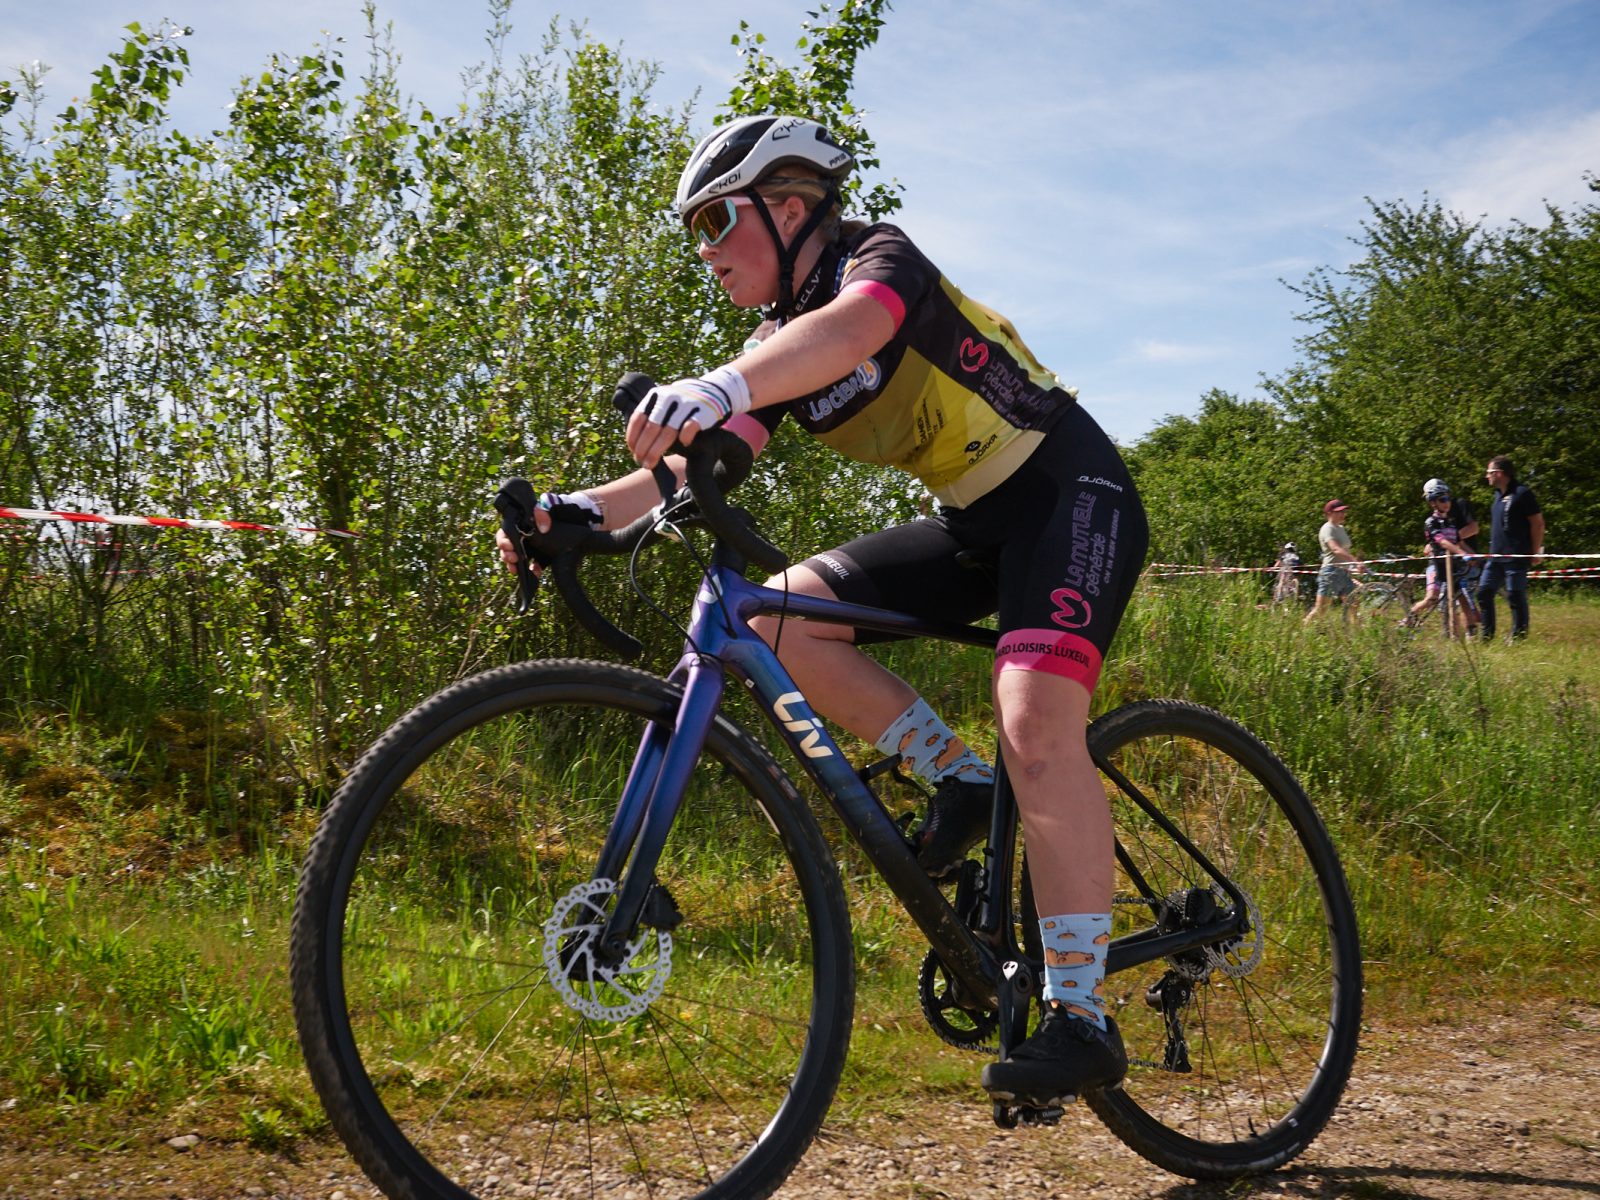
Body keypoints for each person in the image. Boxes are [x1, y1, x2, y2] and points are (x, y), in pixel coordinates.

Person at [496, 114, 1149, 1106]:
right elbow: (691, 468)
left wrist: (717, 385)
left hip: (1067, 492)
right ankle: (959, 781)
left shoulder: (876, 262)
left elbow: (852, 330)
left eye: (716, 221)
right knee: (775, 621)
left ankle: (1081, 1016)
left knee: (1033, 718)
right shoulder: (775, 349)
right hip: (974, 520)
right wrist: (572, 515)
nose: (705, 250)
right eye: (696, 232)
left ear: (791, 208)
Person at [1476, 455, 1545, 640]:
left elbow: (1538, 524)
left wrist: (1535, 551)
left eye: (1489, 472)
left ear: (1499, 473)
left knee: (1515, 595)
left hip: (1516, 556)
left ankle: (1518, 637)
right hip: (1495, 557)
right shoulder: (1497, 496)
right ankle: (1486, 636)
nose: (1486, 476)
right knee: (1484, 592)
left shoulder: (1522, 493)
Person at [1401, 478, 1480, 635]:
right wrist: (1462, 554)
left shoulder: (1450, 523)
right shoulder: (1431, 522)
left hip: (1452, 566)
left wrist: (1475, 557)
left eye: (1448, 499)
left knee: (1462, 598)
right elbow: (1443, 542)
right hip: (1437, 567)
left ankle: (1467, 634)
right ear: (1433, 503)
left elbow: (1459, 542)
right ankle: (1406, 621)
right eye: (1442, 500)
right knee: (1432, 599)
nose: (1447, 503)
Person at [1304, 500, 1362, 623]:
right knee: (1321, 610)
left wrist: (1353, 566)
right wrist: (1355, 562)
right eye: (1339, 512)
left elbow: (1345, 550)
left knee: (1354, 603)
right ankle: (1304, 629)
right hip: (1330, 572)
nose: (1343, 514)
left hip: (1344, 572)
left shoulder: (1341, 528)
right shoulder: (1327, 528)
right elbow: (1336, 549)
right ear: (1329, 513)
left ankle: (1356, 630)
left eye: (1344, 511)